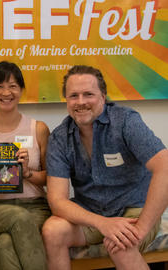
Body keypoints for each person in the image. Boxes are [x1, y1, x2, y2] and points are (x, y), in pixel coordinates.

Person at [42, 65, 168, 270]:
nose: (81, 102)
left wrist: (141, 229)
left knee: (120, 244)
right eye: (74, 95)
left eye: (88, 94)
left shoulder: (126, 121)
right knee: (52, 230)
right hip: (92, 213)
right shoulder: (59, 138)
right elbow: (57, 201)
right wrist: (102, 223)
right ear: (66, 99)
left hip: (133, 210)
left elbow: (165, 166)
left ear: (103, 96)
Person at [0, 61, 51, 270]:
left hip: (35, 207)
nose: (6, 92)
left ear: (21, 90)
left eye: (13, 86)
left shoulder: (38, 129)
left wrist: (28, 172)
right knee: (18, 218)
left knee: (5, 243)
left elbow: (52, 178)